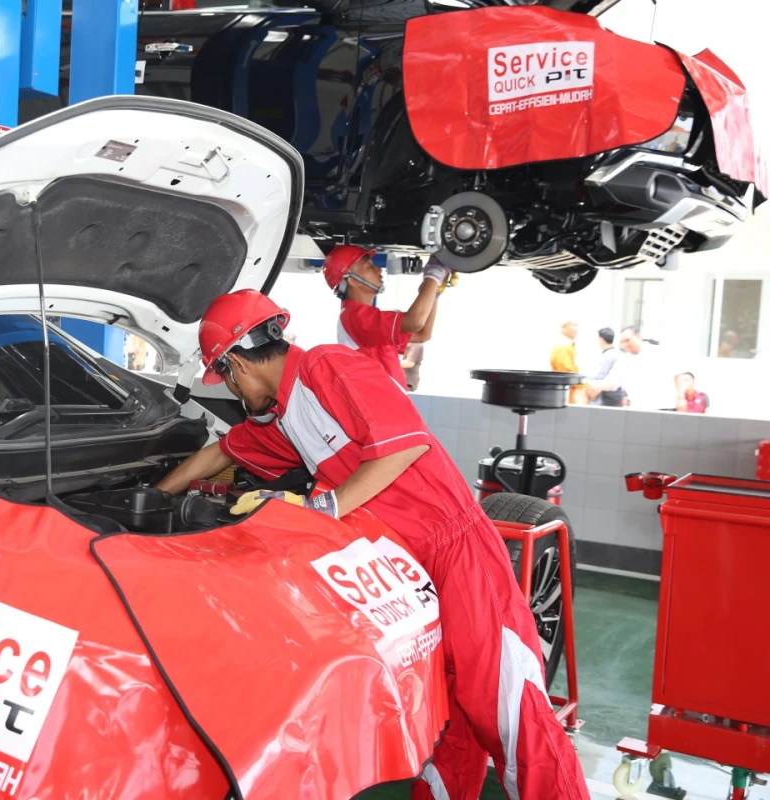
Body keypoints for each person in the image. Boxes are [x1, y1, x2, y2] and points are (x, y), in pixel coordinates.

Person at [157, 289, 590, 800]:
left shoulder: (328, 366)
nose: (229, 391)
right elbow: (220, 453)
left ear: (234, 365)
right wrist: (155, 496)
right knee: (447, 718)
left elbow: (404, 448)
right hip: (405, 573)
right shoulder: (286, 419)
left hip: (457, 555)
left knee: (510, 714)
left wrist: (323, 508)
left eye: (223, 377)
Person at [321, 246, 450, 388]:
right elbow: (415, 322)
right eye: (369, 266)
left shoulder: (359, 317)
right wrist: (434, 274)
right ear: (353, 281)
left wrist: (434, 291)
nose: (378, 269)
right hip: (382, 405)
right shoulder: (357, 318)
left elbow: (422, 334)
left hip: (388, 404)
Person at [584, 327, 626, 407]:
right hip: (615, 394)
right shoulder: (617, 353)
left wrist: (585, 379)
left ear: (601, 339)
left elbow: (600, 375)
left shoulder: (608, 355)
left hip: (608, 395)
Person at [549, 321, 586, 404]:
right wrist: (583, 386)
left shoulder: (568, 345)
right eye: (573, 325)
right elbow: (567, 372)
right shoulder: (562, 346)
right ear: (563, 327)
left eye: (577, 325)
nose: (576, 329)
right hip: (568, 393)